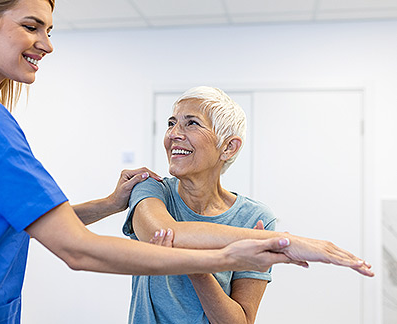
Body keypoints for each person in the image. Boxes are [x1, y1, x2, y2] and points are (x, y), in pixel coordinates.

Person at [0, 1, 372, 323]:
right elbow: (80, 246)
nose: (48, 43)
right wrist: (250, 249)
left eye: (192, 124)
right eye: (31, 26)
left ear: (229, 147)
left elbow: (15, 221)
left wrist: (110, 204)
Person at [122, 86, 373, 324]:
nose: (174, 133)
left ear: (229, 147)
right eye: (171, 123)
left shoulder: (254, 217)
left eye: (191, 123)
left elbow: (239, 321)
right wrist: (279, 241)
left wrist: (197, 268)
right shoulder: (151, 188)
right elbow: (161, 233)